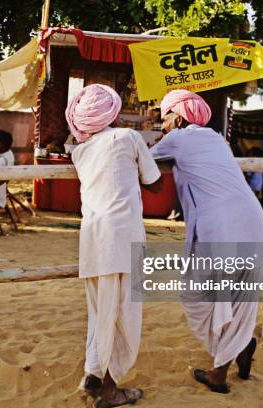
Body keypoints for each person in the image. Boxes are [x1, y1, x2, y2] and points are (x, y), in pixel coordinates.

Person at [150, 90, 263, 394]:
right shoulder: (216, 139)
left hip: (223, 227)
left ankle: (221, 371)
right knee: (240, 300)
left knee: (198, 296)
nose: (161, 124)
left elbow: (142, 159)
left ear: (177, 117)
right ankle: (238, 349)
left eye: (163, 117)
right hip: (253, 221)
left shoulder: (179, 138)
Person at [67, 84, 162, 407]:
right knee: (124, 316)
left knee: (100, 315)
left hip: (93, 239)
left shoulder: (78, 152)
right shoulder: (127, 138)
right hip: (123, 238)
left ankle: (95, 374)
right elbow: (155, 182)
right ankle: (108, 391)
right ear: (112, 113)